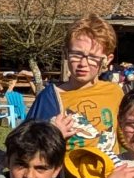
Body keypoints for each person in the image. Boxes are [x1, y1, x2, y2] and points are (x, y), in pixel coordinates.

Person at [29, 11, 125, 157]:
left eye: (93, 57)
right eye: (76, 54)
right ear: (66, 54)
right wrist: (53, 135)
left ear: (107, 59)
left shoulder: (115, 93)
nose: (83, 64)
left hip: (110, 176)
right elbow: (24, 147)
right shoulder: (49, 99)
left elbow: (128, 138)